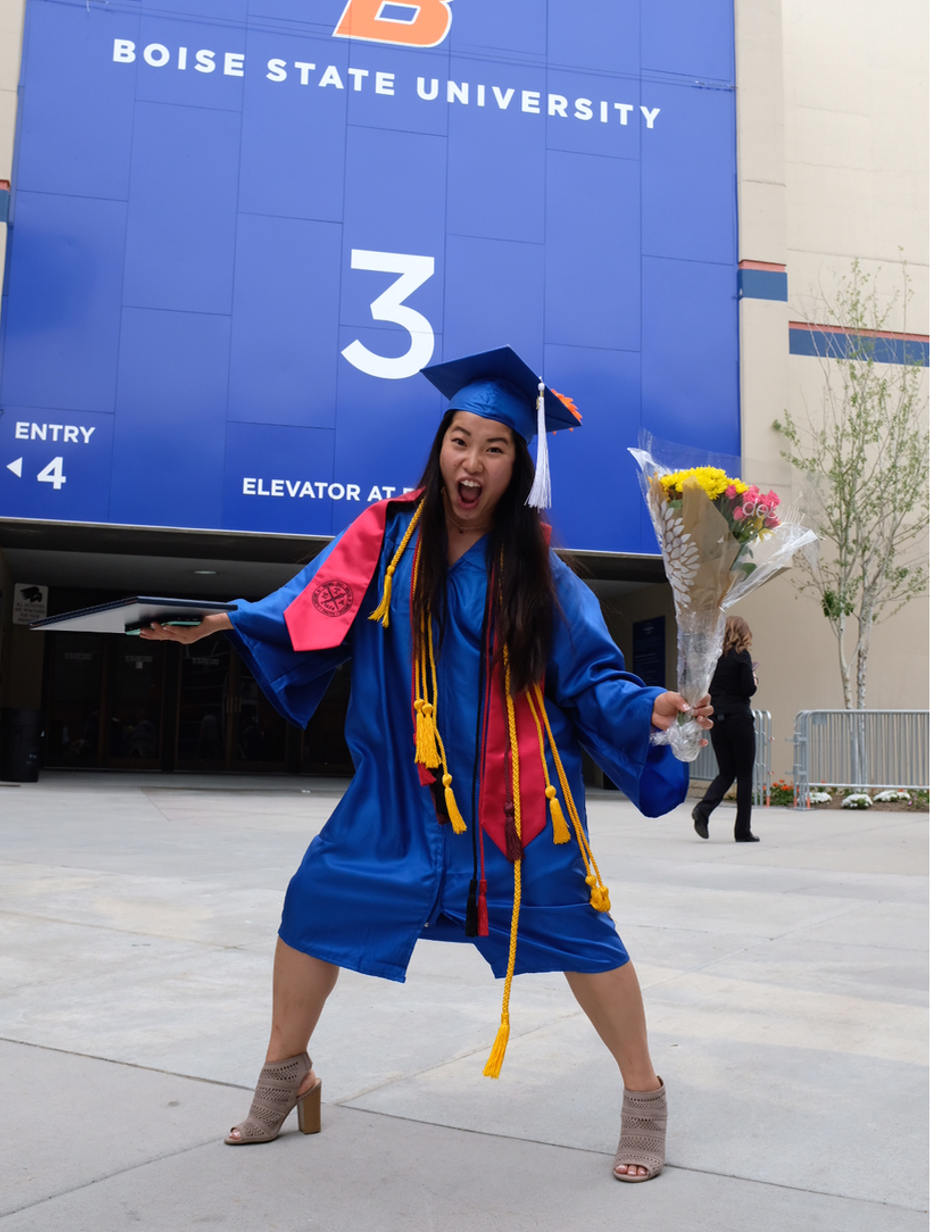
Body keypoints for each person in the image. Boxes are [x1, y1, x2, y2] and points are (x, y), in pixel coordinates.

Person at [141, 347, 712, 1183]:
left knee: (583, 936)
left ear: (517, 468)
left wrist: (650, 706)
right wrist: (227, 621)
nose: (471, 462)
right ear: (440, 446)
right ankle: (286, 1072)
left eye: (495, 447)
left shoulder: (540, 572)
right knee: (314, 903)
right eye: (460, 440)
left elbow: (592, 678)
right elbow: (307, 609)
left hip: (514, 802)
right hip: (398, 794)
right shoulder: (385, 535)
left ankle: (645, 1097)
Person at [691, 615, 760, 843]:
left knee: (726, 772)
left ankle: (703, 809)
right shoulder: (742, 656)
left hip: (717, 721)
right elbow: (747, 689)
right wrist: (754, 679)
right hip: (739, 720)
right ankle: (742, 831)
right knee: (744, 776)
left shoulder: (713, 660)